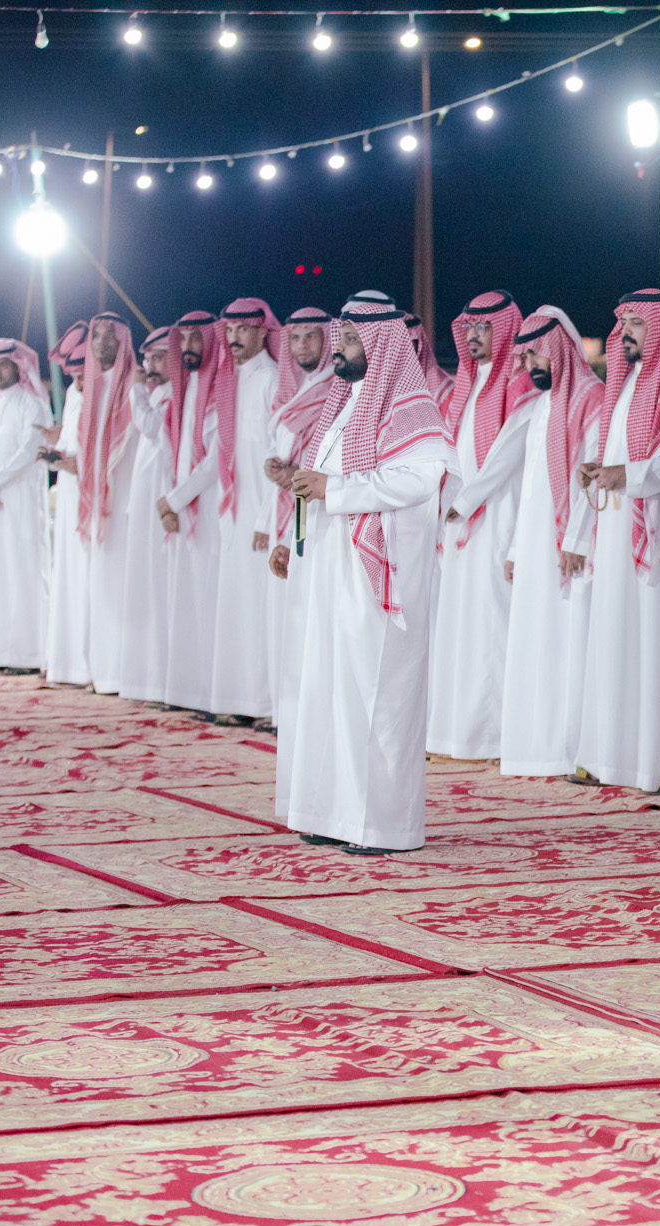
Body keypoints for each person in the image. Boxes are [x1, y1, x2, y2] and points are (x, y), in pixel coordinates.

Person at [277, 292, 450, 853]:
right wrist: (292, 533)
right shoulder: (343, 407)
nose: (340, 348)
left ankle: (382, 826)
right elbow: (318, 484)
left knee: (377, 696)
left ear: (382, 346)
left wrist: (336, 490)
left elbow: (420, 479)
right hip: (332, 570)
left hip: (381, 573)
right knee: (331, 691)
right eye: (342, 337)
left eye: (352, 340)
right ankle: (332, 813)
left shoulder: (411, 408)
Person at [570, 288, 660, 792]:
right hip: (615, 528)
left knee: (655, 641)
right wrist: (599, 469)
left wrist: (629, 475)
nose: (625, 331)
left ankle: (659, 764)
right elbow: (618, 453)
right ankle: (611, 757)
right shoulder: (624, 383)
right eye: (623, 322)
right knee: (614, 635)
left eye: (637, 322)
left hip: (658, 526)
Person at [499, 306, 603, 777]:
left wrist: (576, 538)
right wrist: (516, 549)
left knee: (569, 642)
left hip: (571, 547)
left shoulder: (591, 398)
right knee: (535, 642)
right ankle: (536, 747)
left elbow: (592, 477)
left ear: (558, 349)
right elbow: (530, 486)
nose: (529, 366)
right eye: (523, 358)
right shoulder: (541, 406)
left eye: (535, 355)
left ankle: (571, 750)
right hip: (536, 543)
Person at [428, 291, 532, 760]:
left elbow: (508, 454)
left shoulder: (517, 382)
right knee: (461, 625)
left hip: (498, 517)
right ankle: (460, 733)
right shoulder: (467, 385)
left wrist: (466, 500)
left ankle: (498, 736)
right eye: (469, 326)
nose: (473, 335)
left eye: (484, 327)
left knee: (493, 625)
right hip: (459, 520)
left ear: (504, 330)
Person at [194, 299, 283, 722]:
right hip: (232, 511)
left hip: (262, 514)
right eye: (228, 330)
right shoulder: (229, 380)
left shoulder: (272, 378)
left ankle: (263, 704)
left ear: (263, 331)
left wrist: (265, 518)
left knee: (260, 609)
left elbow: (278, 457)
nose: (233, 338)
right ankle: (235, 702)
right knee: (234, 606)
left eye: (243, 329)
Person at [263, 306, 337, 726]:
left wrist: (293, 475)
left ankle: (307, 715)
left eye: (311, 336)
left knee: (308, 612)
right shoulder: (291, 391)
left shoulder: (335, 389)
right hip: (285, 511)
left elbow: (327, 459)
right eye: (295, 337)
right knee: (283, 612)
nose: (302, 345)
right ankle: (284, 712)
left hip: (315, 512)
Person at [157, 311, 226, 715]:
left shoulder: (219, 388)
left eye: (195, 339)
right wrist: (171, 500)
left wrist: (175, 499)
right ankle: (186, 692)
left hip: (211, 513)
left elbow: (216, 460)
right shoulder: (185, 388)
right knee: (184, 602)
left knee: (206, 602)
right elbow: (175, 452)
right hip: (183, 509)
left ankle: (209, 693)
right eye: (182, 339)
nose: (187, 347)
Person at [0, 339, 51, 673]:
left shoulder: (34, 406)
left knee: (24, 574)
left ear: (19, 367)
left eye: (2, 365)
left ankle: (29, 655)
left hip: (21, 503)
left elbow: (28, 453)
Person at [79, 313, 140, 696]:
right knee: (100, 586)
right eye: (96, 334)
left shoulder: (135, 386)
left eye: (109, 335)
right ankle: (101, 671)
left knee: (123, 587)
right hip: (100, 507)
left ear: (123, 341)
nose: (102, 341)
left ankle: (122, 673)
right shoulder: (93, 387)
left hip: (128, 503)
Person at [120, 327, 173, 703]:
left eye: (158, 358)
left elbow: (152, 428)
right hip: (144, 504)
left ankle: (160, 678)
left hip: (163, 503)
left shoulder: (170, 395)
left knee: (158, 588)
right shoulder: (157, 394)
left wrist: (136, 391)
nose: (150, 366)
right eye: (147, 359)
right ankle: (145, 677)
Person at [43, 324, 93, 687]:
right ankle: (66, 662)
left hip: (94, 495)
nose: (77, 382)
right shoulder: (76, 394)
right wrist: (55, 451)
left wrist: (82, 464)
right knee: (69, 576)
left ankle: (88, 664)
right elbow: (71, 442)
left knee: (87, 578)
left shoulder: (108, 392)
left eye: (81, 374)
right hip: (70, 492)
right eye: (72, 376)